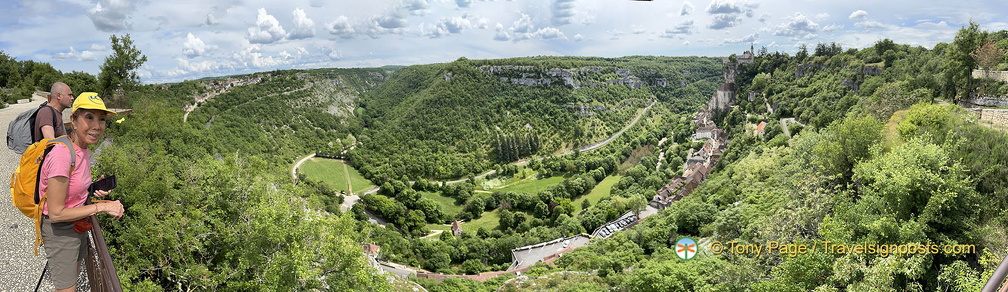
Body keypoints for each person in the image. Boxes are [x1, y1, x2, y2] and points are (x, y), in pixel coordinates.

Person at [39, 92, 124, 292]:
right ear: (73, 121)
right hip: (60, 231)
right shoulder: (62, 154)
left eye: (101, 119)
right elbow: (57, 213)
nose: (97, 125)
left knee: (73, 281)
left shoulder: (82, 148)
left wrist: (92, 188)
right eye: (89, 117)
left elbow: (71, 187)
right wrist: (102, 207)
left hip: (77, 225)